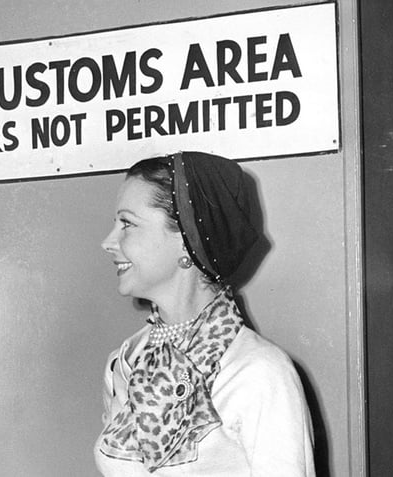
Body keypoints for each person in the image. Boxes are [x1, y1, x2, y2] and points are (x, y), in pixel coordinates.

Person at [94, 151, 314, 476]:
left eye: (127, 223)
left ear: (186, 241)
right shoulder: (126, 361)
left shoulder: (259, 374)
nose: (108, 242)